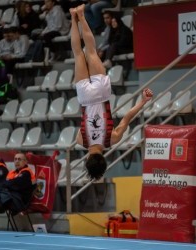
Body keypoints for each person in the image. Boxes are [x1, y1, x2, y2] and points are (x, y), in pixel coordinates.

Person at [70, 4, 153, 180]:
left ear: (104, 160)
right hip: (85, 98)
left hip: (101, 94)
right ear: (86, 160)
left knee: (91, 51)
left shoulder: (112, 139)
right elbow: (83, 119)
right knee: (78, 53)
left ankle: (82, 16)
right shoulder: (80, 141)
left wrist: (143, 102)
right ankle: (73, 17)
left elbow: (127, 117)